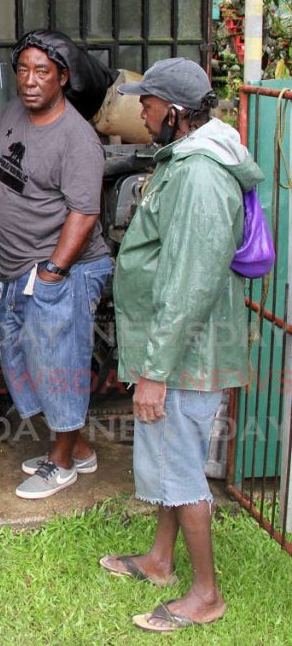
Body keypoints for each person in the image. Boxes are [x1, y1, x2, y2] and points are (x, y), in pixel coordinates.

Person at [102, 57, 257, 633]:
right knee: (174, 458)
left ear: (175, 111)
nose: (141, 111)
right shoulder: (190, 160)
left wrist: (155, 371)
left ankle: (206, 594)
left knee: (182, 469)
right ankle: (161, 562)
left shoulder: (198, 175)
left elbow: (192, 282)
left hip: (183, 354)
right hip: (177, 347)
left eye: (148, 103)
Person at [0, 32, 112, 500]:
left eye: (42, 72)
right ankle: (77, 449)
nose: (30, 81)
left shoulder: (76, 138)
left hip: (62, 273)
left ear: (62, 78)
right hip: (21, 271)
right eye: (23, 70)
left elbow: (84, 213)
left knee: (58, 367)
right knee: (30, 367)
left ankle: (60, 465)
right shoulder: (18, 114)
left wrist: (54, 271)